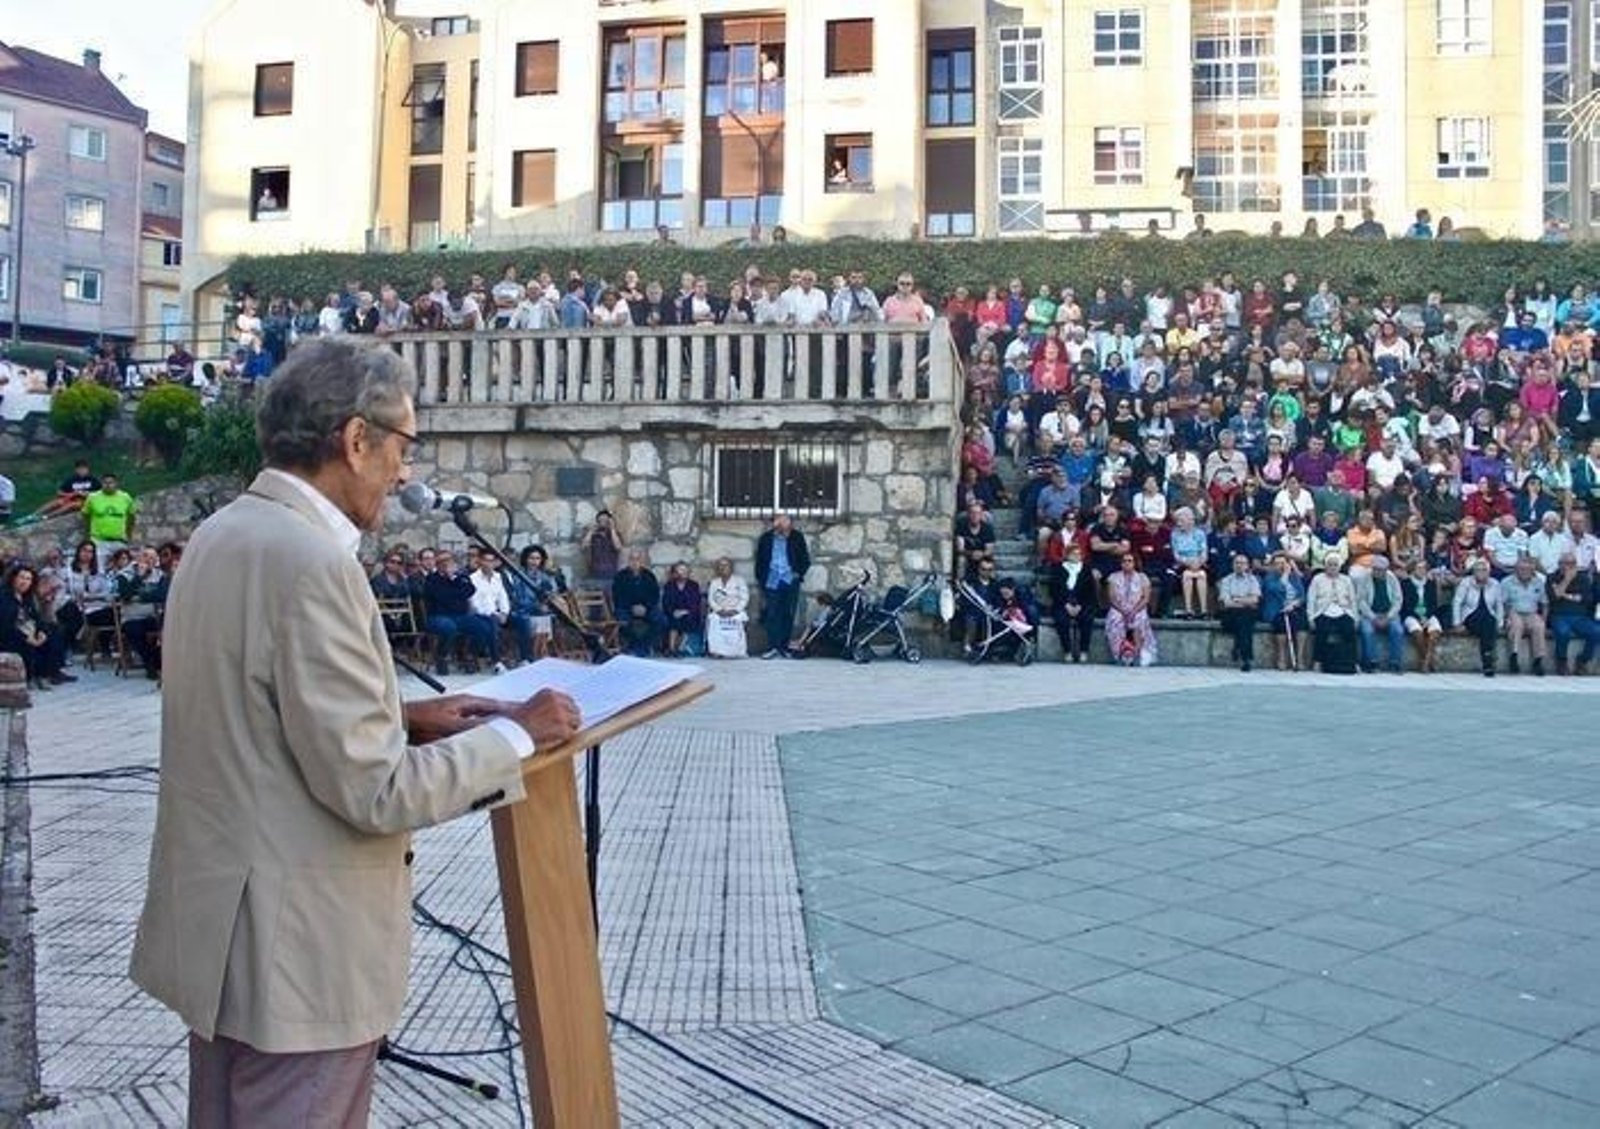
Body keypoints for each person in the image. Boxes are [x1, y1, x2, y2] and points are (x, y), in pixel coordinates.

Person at [131, 337, 581, 1129]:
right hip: (298, 952)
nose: (406, 470)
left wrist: (404, 718)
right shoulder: (315, 564)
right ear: (355, 438)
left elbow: (249, 708)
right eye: (403, 445)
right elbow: (374, 792)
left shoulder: (222, 532)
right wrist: (519, 737)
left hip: (222, 938)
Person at [422, 549, 495, 674]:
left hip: (460, 616)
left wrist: (453, 579)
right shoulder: (431, 579)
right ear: (437, 563)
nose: (446, 564)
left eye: (448, 560)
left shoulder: (460, 576)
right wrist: (457, 592)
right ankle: (441, 656)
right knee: (449, 627)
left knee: (484, 626)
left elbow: (470, 590)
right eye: (442, 561)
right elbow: (441, 596)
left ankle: (469, 655)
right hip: (437, 616)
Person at [0, 564, 73, 688]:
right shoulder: (4, 597)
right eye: (21, 577)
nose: (25, 582)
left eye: (28, 579)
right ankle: (33, 676)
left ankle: (49, 673)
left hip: (28, 632)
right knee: (26, 643)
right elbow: (5, 626)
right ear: (13, 578)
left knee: (54, 631)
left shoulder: (26, 597)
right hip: (10, 636)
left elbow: (37, 618)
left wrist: (41, 632)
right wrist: (26, 638)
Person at [755, 514, 810, 658]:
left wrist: (798, 573)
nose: (782, 524)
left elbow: (805, 559)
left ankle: (784, 648)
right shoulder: (766, 538)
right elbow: (760, 561)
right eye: (778, 521)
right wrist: (761, 579)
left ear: (790, 523)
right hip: (772, 580)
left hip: (789, 580)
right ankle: (773, 647)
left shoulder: (796, 537)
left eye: (785, 521)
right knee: (772, 614)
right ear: (774, 523)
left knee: (788, 614)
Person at [1453, 558, 1505, 676]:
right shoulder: (1466, 582)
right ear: (1473, 572)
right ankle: (1488, 659)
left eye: (1484, 570)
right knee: (1487, 623)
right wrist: (1457, 623)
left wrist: (1500, 623)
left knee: (1489, 622)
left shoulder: (1495, 584)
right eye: (1478, 570)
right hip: (1470, 616)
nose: (1481, 573)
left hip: (1488, 617)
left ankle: (1487, 660)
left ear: (1489, 572)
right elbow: (1457, 602)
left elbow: (1499, 605)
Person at [1353, 554, 1405, 673]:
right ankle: (1371, 663)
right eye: (1375, 569)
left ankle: (1395, 663)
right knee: (1367, 630)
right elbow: (1360, 601)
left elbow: (1398, 600)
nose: (1378, 572)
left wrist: (1389, 616)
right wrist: (1373, 617)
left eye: (1381, 570)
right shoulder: (1364, 578)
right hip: (1369, 614)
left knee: (1398, 630)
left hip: (1389, 614)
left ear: (1386, 570)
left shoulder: (1392, 578)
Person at [1104, 552, 1156, 666]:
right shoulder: (1113, 577)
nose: (1127, 563)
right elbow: (1112, 598)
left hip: (1137, 607)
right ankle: (1120, 654)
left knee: (1139, 619)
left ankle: (1137, 654)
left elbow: (1146, 598)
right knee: (1115, 620)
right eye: (1124, 561)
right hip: (1119, 608)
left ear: (1134, 563)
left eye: (1130, 561)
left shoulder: (1143, 577)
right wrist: (1123, 611)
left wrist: (1134, 610)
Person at [1308, 556, 1358, 674]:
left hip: (1342, 610)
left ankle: (1353, 662)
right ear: (1325, 566)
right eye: (1330, 564)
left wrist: (1355, 618)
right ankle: (1318, 661)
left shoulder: (1346, 580)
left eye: (1335, 565)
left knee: (1349, 630)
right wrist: (1310, 617)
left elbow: (1353, 600)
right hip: (1323, 610)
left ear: (1339, 567)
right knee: (1322, 630)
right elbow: (1311, 599)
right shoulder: (1317, 579)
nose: (1332, 567)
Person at [1500, 556, 1549, 676]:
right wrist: (1506, 617)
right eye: (1522, 569)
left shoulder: (1538, 583)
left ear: (1533, 571)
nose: (1525, 572)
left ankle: (1538, 661)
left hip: (1532, 612)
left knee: (1539, 625)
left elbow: (1545, 603)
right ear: (1516, 569)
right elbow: (1503, 603)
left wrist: (1544, 619)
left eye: (1528, 570)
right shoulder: (1507, 582)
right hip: (1513, 611)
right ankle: (1514, 658)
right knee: (1516, 625)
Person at [1050, 542, 1097, 663]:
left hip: (1082, 603)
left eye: (1079, 554)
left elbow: (1090, 591)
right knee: (1061, 620)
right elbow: (1055, 590)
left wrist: (1080, 606)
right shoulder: (1058, 568)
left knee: (1087, 619)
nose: (1077, 556)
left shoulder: (1086, 568)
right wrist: (1066, 604)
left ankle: (1083, 651)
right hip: (1063, 602)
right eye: (1074, 554)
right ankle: (1067, 651)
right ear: (1067, 555)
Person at [612, 550, 665, 658]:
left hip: (646, 608)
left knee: (662, 620)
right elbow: (617, 596)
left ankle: (642, 646)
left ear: (642, 561)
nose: (635, 562)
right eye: (632, 559)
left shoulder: (649, 576)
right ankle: (636, 645)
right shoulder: (620, 576)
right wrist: (631, 607)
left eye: (638, 559)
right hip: (626, 608)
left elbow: (655, 595)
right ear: (628, 561)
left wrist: (646, 607)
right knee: (622, 620)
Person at [466, 549, 513, 671]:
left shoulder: (498, 577)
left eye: (491, 561)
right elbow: (474, 603)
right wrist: (494, 614)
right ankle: (496, 661)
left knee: (522, 620)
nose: (488, 564)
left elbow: (503, 597)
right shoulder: (473, 578)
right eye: (486, 560)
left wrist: (504, 613)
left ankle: (526, 658)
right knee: (491, 623)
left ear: (495, 563)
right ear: (480, 561)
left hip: (496, 614)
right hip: (478, 614)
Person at [1400, 558, 1447, 673]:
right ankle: (1428, 661)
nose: (1422, 571)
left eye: (1424, 568)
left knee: (1435, 631)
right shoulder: (1405, 584)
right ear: (1413, 569)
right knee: (1417, 631)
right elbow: (1405, 605)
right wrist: (1418, 617)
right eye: (1419, 568)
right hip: (1411, 614)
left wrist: (1426, 617)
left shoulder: (1430, 584)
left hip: (1428, 614)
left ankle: (1425, 661)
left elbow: (1433, 604)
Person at [82, 473, 137, 570]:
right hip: (99, 541)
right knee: (99, 570)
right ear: (101, 484)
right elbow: (86, 515)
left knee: (124, 570)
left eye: (111, 482)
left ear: (116, 483)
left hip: (119, 541)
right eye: (105, 482)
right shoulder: (92, 497)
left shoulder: (125, 497)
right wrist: (87, 534)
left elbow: (132, 517)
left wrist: (128, 535)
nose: (108, 485)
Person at [1217, 553, 1262, 671]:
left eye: (1242, 563)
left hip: (1247, 613)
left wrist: (1236, 599)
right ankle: (1246, 657)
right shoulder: (1226, 580)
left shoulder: (1253, 580)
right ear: (1232, 565)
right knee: (1244, 624)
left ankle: (1241, 652)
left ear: (1247, 566)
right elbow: (1227, 603)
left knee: (1244, 621)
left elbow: (1255, 600)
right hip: (1230, 614)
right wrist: (1245, 600)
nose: (1239, 565)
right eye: (1237, 563)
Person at [705, 558, 750, 659]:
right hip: (720, 611)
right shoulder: (714, 582)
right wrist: (719, 610)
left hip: (735, 611)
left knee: (739, 619)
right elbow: (711, 599)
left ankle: (737, 651)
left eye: (726, 565)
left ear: (731, 567)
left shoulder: (739, 581)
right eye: (721, 565)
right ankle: (717, 651)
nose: (723, 568)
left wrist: (735, 610)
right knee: (714, 620)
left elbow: (744, 597)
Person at [660, 561, 704, 657]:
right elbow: (666, 602)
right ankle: (672, 649)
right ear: (675, 572)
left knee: (686, 620)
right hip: (673, 613)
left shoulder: (693, 585)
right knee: (673, 620)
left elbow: (695, 602)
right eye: (680, 570)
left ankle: (678, 648)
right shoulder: (669, 585)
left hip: (690, 613)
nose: (683, 573)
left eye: (685, 570)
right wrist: (673, 612)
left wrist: (685, 611)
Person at [581, 510, 623, 585]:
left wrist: (612, 529)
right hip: (595, 573)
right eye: (600, 520)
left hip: (611, 573)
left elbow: (618, 547)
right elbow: (584, 546)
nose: (603, 522)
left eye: (605, 520)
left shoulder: (615, 534)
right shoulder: (593, 535)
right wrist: (591, 531)